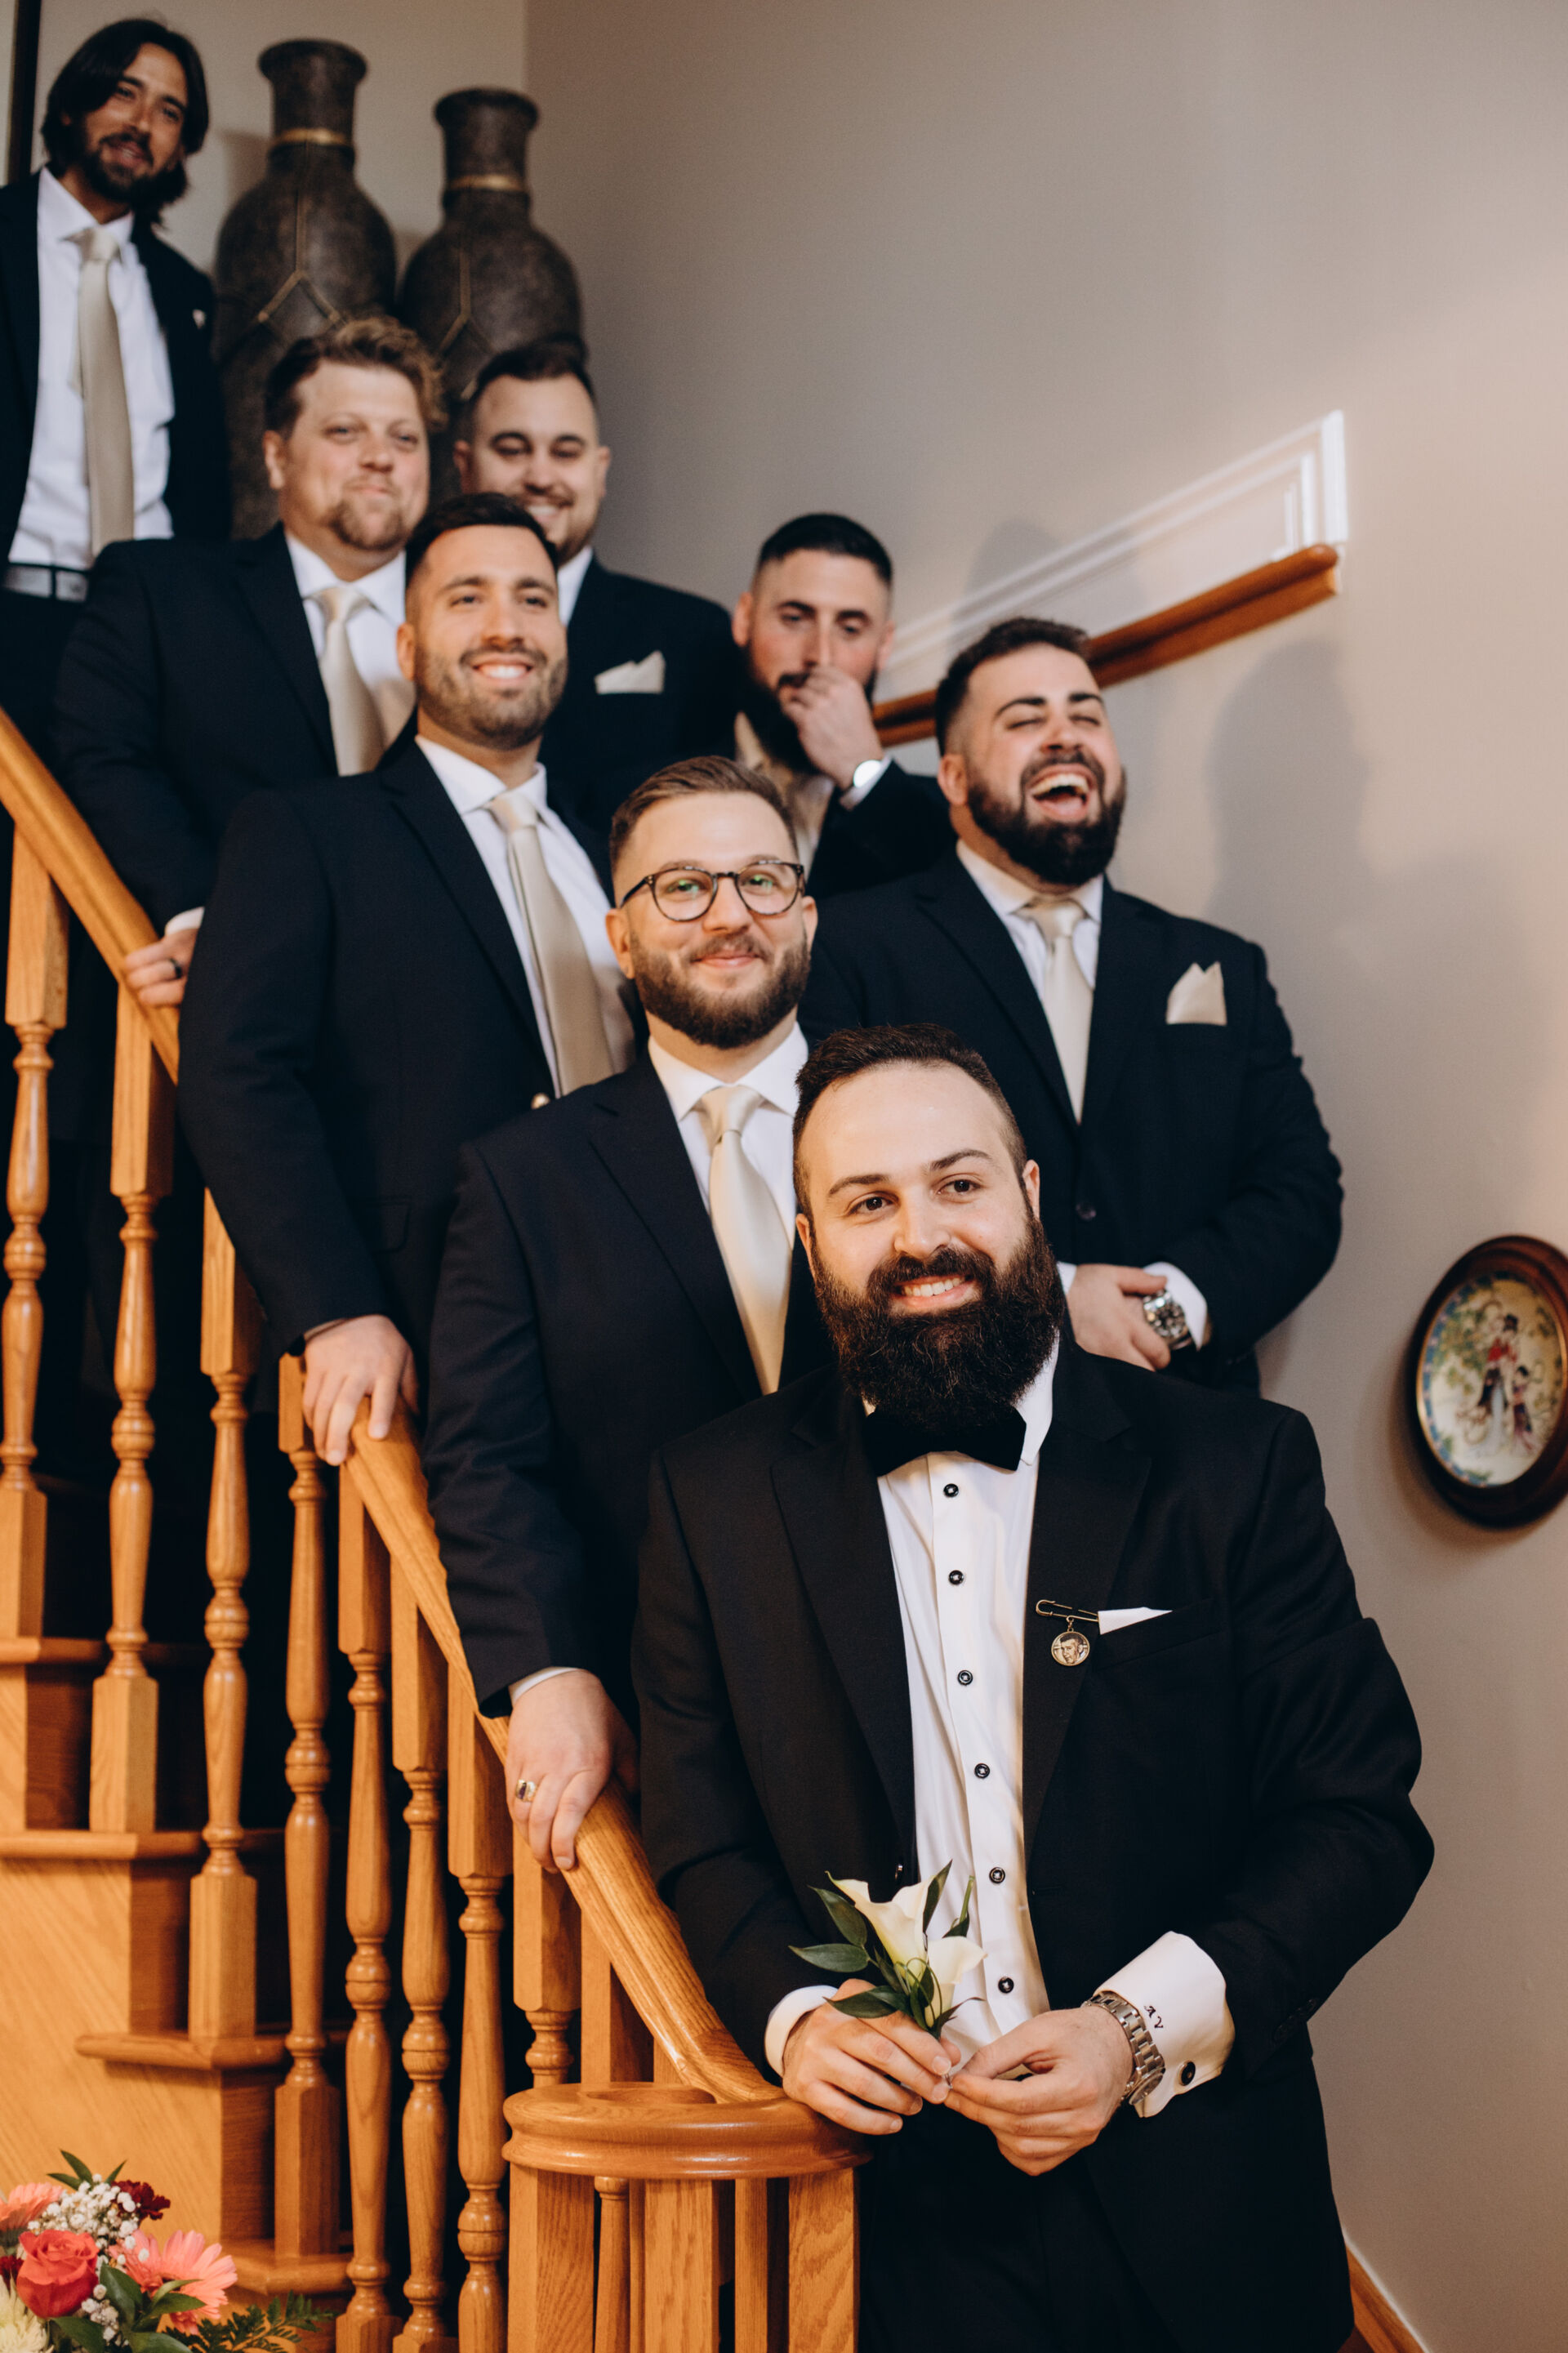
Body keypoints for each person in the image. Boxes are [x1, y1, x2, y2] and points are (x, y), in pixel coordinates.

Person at [635, 1023, 1431, 2353]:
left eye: (958, 1183)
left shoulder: (1239, 1470)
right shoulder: (707, 1502)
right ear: (811, 1241)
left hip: (1210, 2193)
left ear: (1030, 1196)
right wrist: (798, 2013)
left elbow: (1359, 1819)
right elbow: (700, 1836)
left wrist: (1132, 2032)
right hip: (892, 2226)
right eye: (867, 1202)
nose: (922, 1235)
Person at [425, 754, 831, 1871]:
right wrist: (547, 1669)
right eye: (683, 887)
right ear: (621, 935)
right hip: (675, 1731)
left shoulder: (919, 1120)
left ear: (806, 912)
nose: (728, 915)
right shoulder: (523, 1178)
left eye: (760, 879)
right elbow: (485, 1459)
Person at [179, 494, 634, 1468]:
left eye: (534, 599)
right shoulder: (308, 833)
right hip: (435, 1323)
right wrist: (336, 1307)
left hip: (644, 1317)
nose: (507, 625)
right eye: (467, 598)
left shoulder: (621, 854)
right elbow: (235, 1074)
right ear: (408, 645)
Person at [801, 616, 1343, 1388]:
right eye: (1025, 719)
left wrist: (1163, 1312)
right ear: (953, 777)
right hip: (968, 1409)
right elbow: (834, 1198)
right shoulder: (850, 946)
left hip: (1193, 1416)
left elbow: (1300, 1192)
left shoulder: (1221, 962)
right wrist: (1057, 1299)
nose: (1064, 736)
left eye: (1086, 716)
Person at [56, 313, 440, 1010]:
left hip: (422, 999)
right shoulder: (162, 591)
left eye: (404, 437)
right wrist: (205, 918)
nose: (379, 457)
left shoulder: (476, 629)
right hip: (237, 994)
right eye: (344, 431)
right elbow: (102, 755)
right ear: (275, 457)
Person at [0, 16, 227, 753]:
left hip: (141, 635)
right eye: (125, 93)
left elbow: (200, 486)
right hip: (13, 612)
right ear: (72, 104)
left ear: (181, 147)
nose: (142, 124)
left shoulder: (185, 292)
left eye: (170, 112)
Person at [454, 336, 736, 836]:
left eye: (565, 452)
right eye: (513, 450)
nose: (541, 476)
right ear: (465, 466)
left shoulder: (695, 634)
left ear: (599, 471)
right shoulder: (414, 622)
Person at [731, 512, 951, 896]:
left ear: (884, 645)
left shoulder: (945, 818)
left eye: (849, 629)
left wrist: (863, 772)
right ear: (745, 619)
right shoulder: (649, 779)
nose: (821, 656)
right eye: (794, 619)